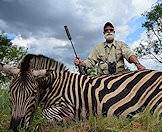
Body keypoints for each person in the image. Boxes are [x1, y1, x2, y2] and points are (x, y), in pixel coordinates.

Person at [74, 22, 145, 76]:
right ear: (104, 33)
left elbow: (129, 54)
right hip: (103, 79)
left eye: (111, 30)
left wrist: (138, 64)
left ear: (114, 32)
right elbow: (90, 61)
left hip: (120, 77)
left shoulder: (121, 44)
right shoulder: (98, 47)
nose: (109, 31)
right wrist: (81, 63)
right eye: (106, 30)